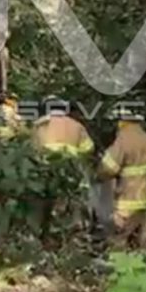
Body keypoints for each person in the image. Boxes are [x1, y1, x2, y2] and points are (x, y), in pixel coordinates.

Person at [97, 107, 146, 252]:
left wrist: (99, 175)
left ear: (122, 121)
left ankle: (117, 266)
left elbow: (109, 168)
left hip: (130, 199)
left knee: (119, 236)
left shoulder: (124, 139)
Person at [32, 95, 95, 231]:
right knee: (75, 200)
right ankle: (77, 228)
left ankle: (47, 230)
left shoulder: (38, 126)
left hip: (46, 169)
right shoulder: (77, 126)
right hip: (71, 170)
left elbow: (32, 150)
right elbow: (88, 149)